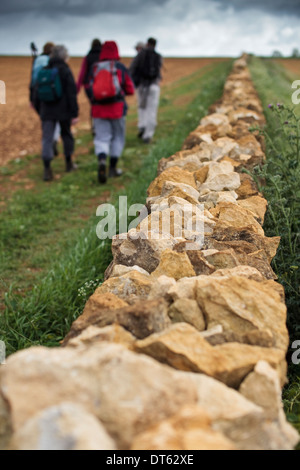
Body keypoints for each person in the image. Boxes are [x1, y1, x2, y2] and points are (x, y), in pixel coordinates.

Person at [90, 41, 135, 184]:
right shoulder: (119, 67)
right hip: (117, 108)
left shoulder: (95, 68)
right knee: (117, 137)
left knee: (102, 138)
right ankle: (113, 168)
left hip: (98, 109)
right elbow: (130, 89)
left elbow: (90, 88)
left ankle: (102, 160)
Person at [33, 45, 79, 181]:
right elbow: (72, 92)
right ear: (64, 56)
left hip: (47, 110)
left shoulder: (44, 70)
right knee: (66, 135)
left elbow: (36, 93)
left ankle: (47, 169)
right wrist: (74, 112)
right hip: (63, 110)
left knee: (47, 139)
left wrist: (39, 110)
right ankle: (69, 163)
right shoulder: (65, 70)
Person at [129, 37, 162, 143]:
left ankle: (142, 126)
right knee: (151, 110)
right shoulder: (158, 56)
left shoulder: (141, 55)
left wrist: (133, 83)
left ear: (147, 44)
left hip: (143, 86)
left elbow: (132, 69)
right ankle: (148, 134)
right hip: (154, 85)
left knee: (142, 107)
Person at [30, 42, 60, 156]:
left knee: (46, 122)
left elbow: (32, 80)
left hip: (38, 94)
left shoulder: (37, 60)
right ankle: (55, 139)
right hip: (53, 95)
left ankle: (47, 149)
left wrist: (31, 98)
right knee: (56, 121)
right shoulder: (51, 61)